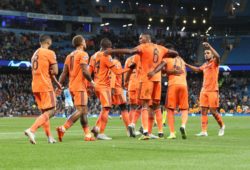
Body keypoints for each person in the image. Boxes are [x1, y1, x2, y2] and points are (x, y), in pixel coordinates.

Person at [105, 33, 178, 140]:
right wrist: (164, 57)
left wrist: (112, 51)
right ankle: (160, 132)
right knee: (155, 107)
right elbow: (175, 53)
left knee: (143, 106)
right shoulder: (160, 48)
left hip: (146, 79)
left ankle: (144, 132)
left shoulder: (143, 47)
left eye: (141, 38)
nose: (139, 39)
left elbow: (130, 51)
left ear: (147, 38)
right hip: (157, 80)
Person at [89, 38, 132, 140]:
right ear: (109, 48)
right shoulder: (106, 56)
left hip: (96, 85)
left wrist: (89, 84)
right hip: (104, 86)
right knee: (107, 109)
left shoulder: (93, 56)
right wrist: (130, 68)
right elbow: (117, 72)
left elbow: (88, 71)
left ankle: (96, 128)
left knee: (105, 108)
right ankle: (101, 132)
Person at [56, 35, 96, 142]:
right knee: (81, 110)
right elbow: (84, 70)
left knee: (84, 110)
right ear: (82, 43)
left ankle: (88, 135)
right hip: (80, 86)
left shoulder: (69, 56)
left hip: (72, 86)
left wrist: (59, 85)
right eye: (84, 41)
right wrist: (92, 82)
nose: (86, 42)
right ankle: (63, 128)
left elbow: (64, 73)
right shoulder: (83, 54)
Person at [24, 34, 61, 144]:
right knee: (52, 110)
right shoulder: (49, 53)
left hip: (35, 85)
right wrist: (56, 80)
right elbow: (55, 71)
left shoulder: (35, 54)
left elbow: (47, 71)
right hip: (45, 85)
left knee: (45, 113)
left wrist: (56, 82)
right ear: (49, 42)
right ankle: (32, 130)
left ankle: (49, 137)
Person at [148, 45, 189, 139]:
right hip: (184, 84)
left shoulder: (167, 59)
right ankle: (183, 125)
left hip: (173, 85)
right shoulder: (181, 60)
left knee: (170, 109)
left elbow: (161, 68)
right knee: (184, 109)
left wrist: (154, 72)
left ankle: (172, 133)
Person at [185, 42, 225, 137]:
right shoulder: (205, 64)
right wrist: (186, 64)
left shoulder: (215, 62)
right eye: (205, 53)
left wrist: (210, 47)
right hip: (204, 90)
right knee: (203, 111)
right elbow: (198, 69)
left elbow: (218, 56)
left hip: (213, 90)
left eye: (208, 53)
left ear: (211, 54)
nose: (206, 54)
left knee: (213, 111)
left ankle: (222, 126)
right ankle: (204, 131)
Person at [110, 56, 131, 136]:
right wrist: (112, 88)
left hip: (109, 87)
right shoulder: (116, 63)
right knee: (123, 108)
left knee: (105, 109)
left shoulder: (109, 62)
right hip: (116, 89)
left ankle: (98, 129)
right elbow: (114, 74)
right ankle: (129, 130)